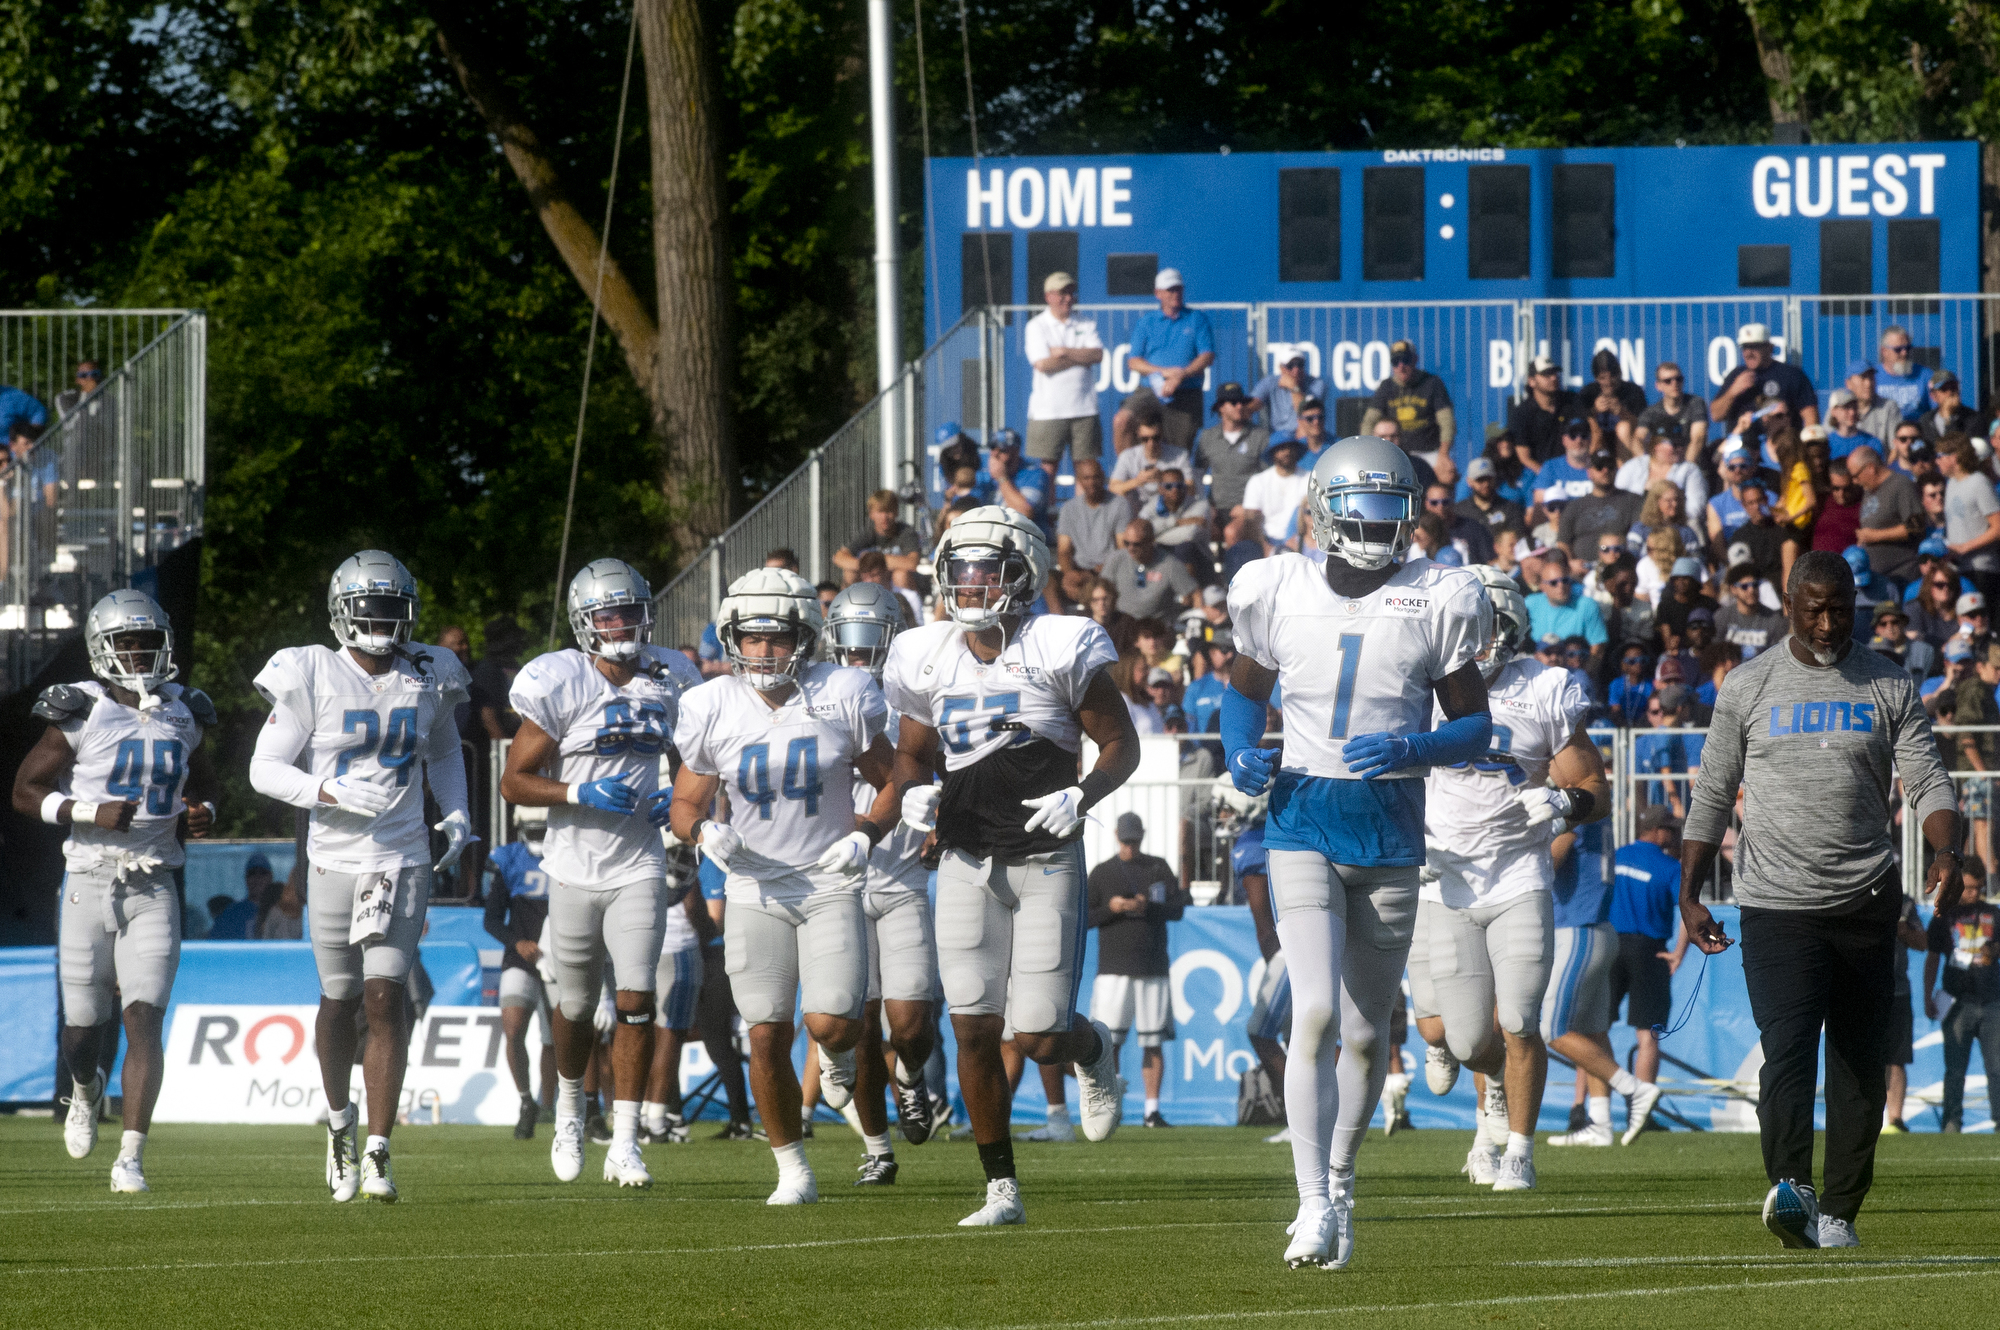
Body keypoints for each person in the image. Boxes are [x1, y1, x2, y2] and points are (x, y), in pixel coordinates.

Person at [1224, 435, 1492, 1269]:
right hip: (1302, 815)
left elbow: (1476, 726)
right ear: (1324, 510)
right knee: (1312, 1012)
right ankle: (1310, 1203)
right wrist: (1243, 755)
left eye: (1392, 510)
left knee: (1368, 1033)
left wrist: (1419, 750)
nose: (1380, 527)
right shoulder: (1276, 588)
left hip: (1387, 825)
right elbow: (1243, 697)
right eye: (1364, 510)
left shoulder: (1440, 594)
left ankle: (1341, 1182)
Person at [1680, 549, 1963, 1250]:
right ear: (1789, 606)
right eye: (1816, 610)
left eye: (1841, 608)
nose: (1830, 622)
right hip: (1776, 904)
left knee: (1860, 1063)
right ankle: (1791, 1188)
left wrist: (1948, 852)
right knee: (1788, 1046)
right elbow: (1713, 790)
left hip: (1868, 898)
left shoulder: (1890, 682)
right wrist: (1691, 894)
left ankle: (1839, 1210)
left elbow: (1928, 780)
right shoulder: (1747, 686)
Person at [875, 505, 1137, 1226]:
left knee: (1042, 1032)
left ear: (1021, 573)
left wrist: (1082, 796)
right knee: (974, 1028)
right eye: (959, 569)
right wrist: (913, 793)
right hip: (963, 856)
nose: (969, 583)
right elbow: (909, 753)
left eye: (985, 569)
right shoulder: (927, 652)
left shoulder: (1059, 643)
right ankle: (1001, 1189)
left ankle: (1091, 1047)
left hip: (1046, 854)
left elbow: (1122, 746)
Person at [248, 551, 474, 1203]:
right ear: (342, 612)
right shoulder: (313, 670)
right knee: (339, 999)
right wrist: (330, 790)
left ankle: (378, 1148)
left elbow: (444, 750)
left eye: (390, 608)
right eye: (368, 608)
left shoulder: (429, 672)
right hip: (334, 861)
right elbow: (264, 769)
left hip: (400, 858)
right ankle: (339, 1124)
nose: (380, 620)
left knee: (386, 997)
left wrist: (456, 810)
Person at [667, 567, 896, 1205]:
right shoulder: (711, 705)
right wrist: (702, 836)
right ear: (731, 637)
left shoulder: (842, 692)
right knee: (764, 1031)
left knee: (831, 1024)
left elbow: (894, 780)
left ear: (805, 636)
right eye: (753, 638)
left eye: (778, 638)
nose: (765, 651)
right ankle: (792, 1168)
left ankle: (839, 1055)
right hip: (754, 889)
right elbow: (685, 804)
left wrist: (867, 833)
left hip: (828, 880)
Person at [500, 559, 703, 1189]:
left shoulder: (673, 676)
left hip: (641, 860)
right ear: (585, 624)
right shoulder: (560, 680)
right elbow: (513, 782)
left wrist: (688, 803)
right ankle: (568, 1111)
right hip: (572, 865)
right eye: (607, 615)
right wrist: (581, 791)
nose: (621, 625)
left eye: (629, 612)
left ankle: (625, 1140)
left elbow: (696, 757)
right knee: (576, 1003)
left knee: (638, 997)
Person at [12, 591, 216, 1193]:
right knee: (82, 1026)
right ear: (102, 648)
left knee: (144, 1016)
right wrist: (84, 809)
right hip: (89, 876)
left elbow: (203, 790)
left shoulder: (188, 711)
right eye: (125, 643)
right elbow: (25, 791)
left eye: (146, 642)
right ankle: (84, 1087)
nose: (136, 654)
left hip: (153, 879)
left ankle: (131, 1155)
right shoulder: (82, 709)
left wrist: (204, 811)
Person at [1424, 565, 1612, 1188]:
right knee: (1466, 1038)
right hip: (1446, 878)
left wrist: (1563, 805)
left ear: (1511, 626)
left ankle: (1521, 1153)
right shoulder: (1420, 687)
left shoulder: (1543, 688)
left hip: (1518, 874)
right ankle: (1496, 1094)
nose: (1478, 640)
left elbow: (1593, 788)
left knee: (1522, 1019)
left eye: (1488, 626)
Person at [824, 582, 941, 1170]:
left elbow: (948, 769)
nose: (859, 654)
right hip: (839, 884)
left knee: (910, 1025)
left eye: (872, 641)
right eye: (849, 640)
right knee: (859, 1024)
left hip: (900, 874)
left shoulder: (916, 695)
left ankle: (913, 1073)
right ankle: (876, 1149)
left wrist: (942, 815)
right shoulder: (815, 697)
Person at [1088, 812, 1191, 1129]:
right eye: (1126, 840)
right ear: (1117, 836)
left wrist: (1149, 906)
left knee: (1152, 1040)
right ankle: (1111, 1104)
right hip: (1113, 968)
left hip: (1152, 966)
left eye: (1134, 840)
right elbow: (1087, 916)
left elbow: (1177, 909)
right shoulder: (1102, 872)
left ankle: (1151, 1110)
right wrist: (1113, 908)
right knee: (1109, 1042)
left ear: (1141, 836)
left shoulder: (1157, 867)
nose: (1130, 846)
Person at [486, 804, 556, 1139]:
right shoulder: (510, 859)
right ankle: (526, 1101)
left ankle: (549, 1104)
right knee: (513, 1029)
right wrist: (518, 943)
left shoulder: (568, 855)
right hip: (520, 957)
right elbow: (491, 919)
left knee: (553, 1039)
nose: (540, 837)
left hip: (558, 957)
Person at [1608, 807, 1686, 1097]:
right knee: (1648, 1034)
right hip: (1649, 951)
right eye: (1671, 829)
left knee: (1594, 1031)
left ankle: (1585, 1111)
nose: (1674, 835)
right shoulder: (1669, 867)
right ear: (1657, 830)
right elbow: (1689, 913)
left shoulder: (1616, 855)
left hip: (1611, 945)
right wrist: (1679, 952)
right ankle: (1641, 1110)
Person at [1923, 864, 2000, 1133]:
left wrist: (1995, 949)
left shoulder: (1993, 913)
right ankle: (1951, 1122)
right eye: (1968, 888)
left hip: (1992, 1001)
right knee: (1955, 1069)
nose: (1974, 893)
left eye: (1978, 888)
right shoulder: (1944, 916)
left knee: (1997, 1068)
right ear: (1957, 886)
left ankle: (1999, 1122)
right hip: (1956, 1001)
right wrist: (1927, 995)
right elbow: (1932, 958)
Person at [1116, 268, 1213, 455]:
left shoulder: (1196, 319)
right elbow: (1134, 362)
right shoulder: (1146, 322)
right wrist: (1165, 373)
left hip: (1186, 392)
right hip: (1149, 390)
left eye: (1178, 289)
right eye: (1170, 290)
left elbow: (1207, 356)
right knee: (1122, 421)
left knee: (1177, 451)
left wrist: (1181, 375)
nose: (1175, 294)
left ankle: (1171, 482)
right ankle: (1126, 476)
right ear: (1158, 293)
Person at [1023, 271, 1103, 470]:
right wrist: (1080, 357)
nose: (1068, 298)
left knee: (1086, 468)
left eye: (1071, 293)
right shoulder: (1036, 326)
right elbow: (1042, 365)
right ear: (1048, 296)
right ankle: (1048, 504)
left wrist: (1063, 352)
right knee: (1047, 469)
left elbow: (1097, 355)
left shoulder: (1086, 323)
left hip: (1084, 408)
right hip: (1048, 410)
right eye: (1062, 293)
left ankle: (1080, 503)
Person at [1361, 340, 1455, 470]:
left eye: (1405, 360)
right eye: (1395, 361)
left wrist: (1444, 454)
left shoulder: (1432, 383)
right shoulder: (1386, 386)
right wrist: (1367, 451)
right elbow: (1369, 421)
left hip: (1429, 452)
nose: (1401, 366)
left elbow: (1447, 421)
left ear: (1415, 359)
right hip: (1395, 452)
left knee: (1447, 470)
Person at [1849, 445, 1926, 598]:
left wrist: (1875, 536)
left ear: (1870, 468)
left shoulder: (1900, 485)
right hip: (1878, 579)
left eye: (1856, 476)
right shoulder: (1869, 491)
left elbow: (1917, 526)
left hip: (1902, 576)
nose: (1855, 481)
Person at [1710, 323, 1819, 431]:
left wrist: (1806, 445)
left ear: (1769, 348)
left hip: (1781, 444)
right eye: (1745, 347)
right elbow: (1716, 415)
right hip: (1741, 444)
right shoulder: (1736, 375)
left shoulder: (1790, 375)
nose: (1749, 353)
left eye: (1754, 347)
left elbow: (1811, 416)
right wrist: (1733, 391)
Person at [1883, 885, 1929, 1134]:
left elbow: (1922, 942)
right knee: (1862, 1058)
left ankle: (1895, 1119)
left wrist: (1903, 931)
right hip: (1862, 989)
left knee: (1896, 1057)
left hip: (1897, 990)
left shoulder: (1904, 903)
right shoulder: (1855, 895)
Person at [1054, 458, 1131, 606]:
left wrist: (1100, 571)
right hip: (1079, 570)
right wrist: (1069, 574)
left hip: (1107, 571)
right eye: (1086, 478)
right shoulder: (1068, 509)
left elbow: (1123, 550)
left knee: (1094, 585)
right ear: (1079, 480)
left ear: (1102, 477)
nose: (1091, 482)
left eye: (1095, 477)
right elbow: (1064, 551)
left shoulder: (1120, 505)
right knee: (1048, 581)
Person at [1937, 435, 2000, 605]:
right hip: (1958, 569)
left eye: (1940, 456)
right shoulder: (1950, 484)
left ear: (1954, 457)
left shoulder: (1979, 483)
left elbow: (1998, 527)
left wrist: (1965, 547)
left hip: (1982, 568)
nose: (1937, 461)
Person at [1193, 382, 1270, 519]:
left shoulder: (1259, 436)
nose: (1240, 406)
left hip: (1249, 508)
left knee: (1233, 533)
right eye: (1234, 402)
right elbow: (1197, 474)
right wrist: (1205, 504)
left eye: (1242, 402)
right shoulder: (1207, 437)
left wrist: (1251, 506)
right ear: (1220, 407)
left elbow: (1268, 477)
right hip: (1217, 508)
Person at [1099, 520, 1200, 623]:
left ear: (1151, 541)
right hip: (1122, 624)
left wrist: (1197, 619)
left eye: (1136, 544)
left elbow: (1195, 594)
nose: (1130, 548)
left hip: (1156, 628)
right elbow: (1100, 590)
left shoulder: (1169, 564)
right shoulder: (1116, 559)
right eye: (1127, 543)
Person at [1555, 449, 1642, 559]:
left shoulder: (1633, 501)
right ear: (1589, 472)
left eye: (1610, 466)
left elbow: (1638, 535)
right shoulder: (1574, 507)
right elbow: (1563, 543)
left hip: (1620, 566)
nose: (1605, 471)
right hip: (1583, 570)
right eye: (1599, 467)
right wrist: (1571, 564)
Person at [1526, 558, 1607, 672]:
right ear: (1542, 586)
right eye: (1554, 583)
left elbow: (1598, 649)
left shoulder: (1587, 605)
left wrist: (1581, 679)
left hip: (1574, 673)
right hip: (1538, 672)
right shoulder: (1530, 603)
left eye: (1565, 580)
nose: (1561, 586)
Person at [834, 490, 924, 587]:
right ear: (871, 514)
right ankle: (852, 601)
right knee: (849, 573)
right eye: (880, 512)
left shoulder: (906, 532)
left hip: (897, 588)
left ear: (896, 512)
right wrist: (867, 564)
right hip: (873, 581)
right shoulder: (868, 534)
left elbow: (912, 563)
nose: (884, 517)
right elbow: (839, 558)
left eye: (889, 511)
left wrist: (875, 561)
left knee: (900, 575)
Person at [1241, 436, 1313, 550]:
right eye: (1281, 449)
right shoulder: (1258, 481)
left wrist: (1301, 542)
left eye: (1291, 448)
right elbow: (1251, 519)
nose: (1287, 452)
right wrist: (1265, 547)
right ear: (1272, 453)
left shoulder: (1310, 478)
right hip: (1267, 541)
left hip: (1302, 542)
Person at [1508, 355, 1582, 464]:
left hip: (1570, 472)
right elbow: (1524, 457)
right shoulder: (1522, 413)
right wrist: (1546, 476)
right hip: (1538, 476)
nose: (1554, 378)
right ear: (1532, 381)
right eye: (1546, 374)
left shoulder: (1571, 402)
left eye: (1554, 373)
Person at [1109, 412, 1191, 507]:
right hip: (1138, 509)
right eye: (1145, 439)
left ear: (1162, 434)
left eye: (1156, 438)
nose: (1151, 443)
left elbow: (1190, 489)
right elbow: (1113, 488)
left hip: (1170, 508)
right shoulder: (1128, 456)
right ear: (1138, 436)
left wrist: (1164, 479)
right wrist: (1137, 481)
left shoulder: (1179, 455)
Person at [1633, 360, 1709, 459]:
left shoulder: (1695, 403)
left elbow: (1698, 437)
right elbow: (1638, 438)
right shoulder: (1651, 412)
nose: (1674, 383)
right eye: (1668, 381)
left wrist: (1685, 470)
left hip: (1692, 464)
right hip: (1661, 466)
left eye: (1678, 379)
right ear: (1658, 386)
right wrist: (1648, 466)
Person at [1250, 349, 1330, 439]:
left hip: (1305, 436)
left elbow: (1305, 412)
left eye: (1300, 365)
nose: (1296, 370)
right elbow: (1251, 405)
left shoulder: (1316, 384)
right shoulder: (1270, 382)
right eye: (1290, 366)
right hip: (1278, 436)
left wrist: (1294, 387)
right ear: (1282, 368)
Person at [1716, 562, 1789, 659]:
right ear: (1733, 589)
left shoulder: (1774, 620)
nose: (1751, 590)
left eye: (1755, 585)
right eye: (1744, 586)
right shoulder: (1722, 617)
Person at [1584, 348, 1647, 453]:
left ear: (1620, 373)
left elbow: (1643, 427)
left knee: (1624, 427)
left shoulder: (1633, 391)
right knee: (1593, 427)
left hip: (1627, 449)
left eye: (1612, 377)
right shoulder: (1588, 393)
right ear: (1596, 378)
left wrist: (1623, 413)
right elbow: (1577, 421)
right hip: (1598, 447)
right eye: (1603, 378)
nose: (1608, 382)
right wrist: (1594, 411)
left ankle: (1642, 467)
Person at [1455, 457, 1528, 543]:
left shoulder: (1511, 509)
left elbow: (1517, 541)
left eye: (1489, 478)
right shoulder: (1459, 511)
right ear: (1469, 482)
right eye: (1480, 480)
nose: (1486, 484)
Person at [208, 853, 273, 940]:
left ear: (271, 877)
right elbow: (215, 942)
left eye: (263, 873)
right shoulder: (231, 914)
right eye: (252, 873)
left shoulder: (280, 910)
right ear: (246, 878)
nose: (257, 877)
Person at [1874, 325, 1932, 421]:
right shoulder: (1872, 377)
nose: (1904, 353)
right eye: (1898, 349)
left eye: (1908, 348)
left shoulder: (1925, 375)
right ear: (1884, 351)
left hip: (1915, 432)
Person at [1917, 370, 1978, 445]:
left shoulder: (1973, 418)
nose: (1950, 392)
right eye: (1944, 389)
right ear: (1933, 396)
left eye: (1953, 387)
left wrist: (1949, 417)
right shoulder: (1926, 420)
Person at [1821, 392, 1881, 464]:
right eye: (1846, 408)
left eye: (1854, 407)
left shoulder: (1872, 442)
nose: (1852, 412)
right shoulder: (1826, 444)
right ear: (1833, 411)